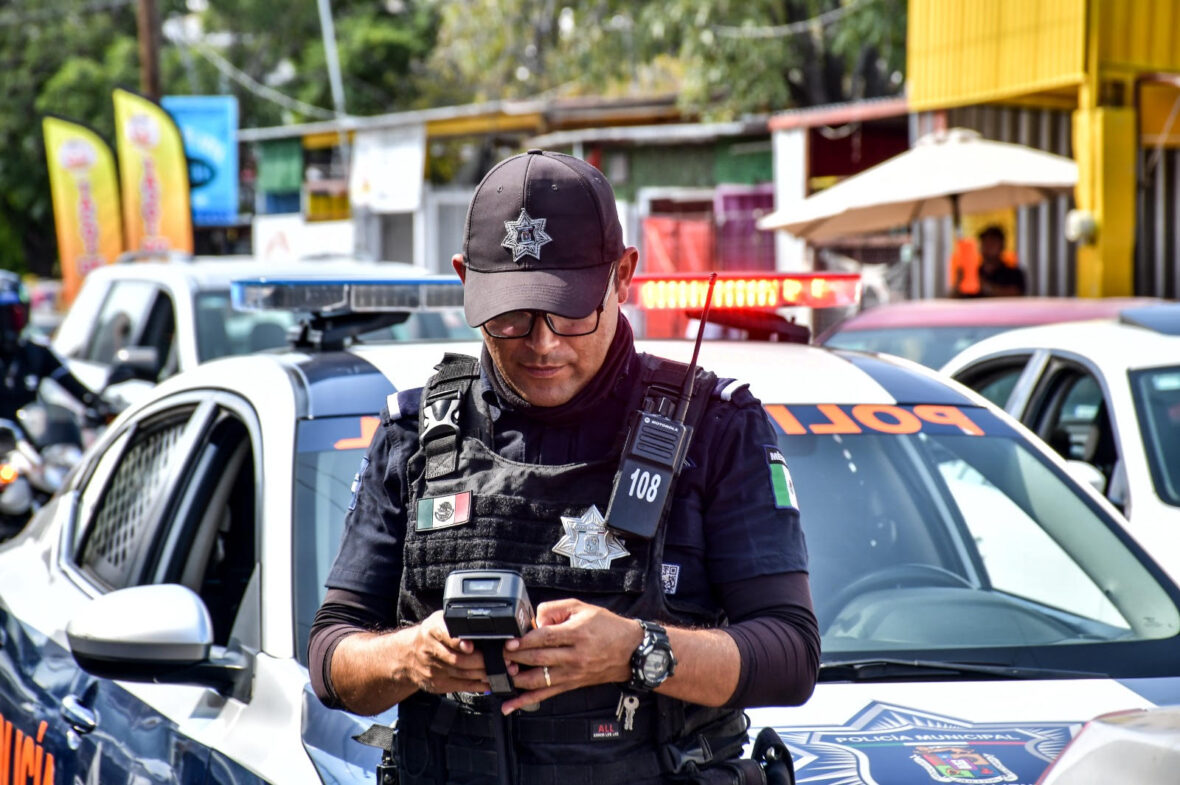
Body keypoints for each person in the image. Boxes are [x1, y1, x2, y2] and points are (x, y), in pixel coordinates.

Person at [308, 149, 819, 785]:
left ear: (623, 275)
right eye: (513, 315)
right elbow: (331, 658)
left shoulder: (716, 427)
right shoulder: (414, 435)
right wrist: (414, 656)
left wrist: (638, 651)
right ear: (466, 279)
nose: (543, 342)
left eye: (571, 310)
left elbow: (792, 656)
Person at [0, 271, 104, 422]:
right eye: (2, 316)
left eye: (14, 315)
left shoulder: (35, 352)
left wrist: (100, 404)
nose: (7, 324)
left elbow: (75, 387)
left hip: (29, 440)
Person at [949, 225, 1026, 297]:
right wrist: (958, 284)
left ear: (1002, 246)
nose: (988, 246)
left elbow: (1016, 294)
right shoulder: (974, 273)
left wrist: (984, 286)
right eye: (985, 242)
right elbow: (953, 299)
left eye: (992, 243)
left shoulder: (1013, 274)